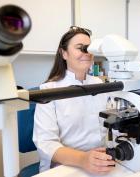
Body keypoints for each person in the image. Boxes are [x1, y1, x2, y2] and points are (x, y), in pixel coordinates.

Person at [33, 26, 115, 174]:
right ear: (64, 53)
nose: (87, 53)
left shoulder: (100, 84)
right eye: (80, 48)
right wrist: (83, 159)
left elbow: (112, 125)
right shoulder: (49, 90)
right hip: (66, 164)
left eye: (89, 48)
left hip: (100, 160)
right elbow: (46, 143)